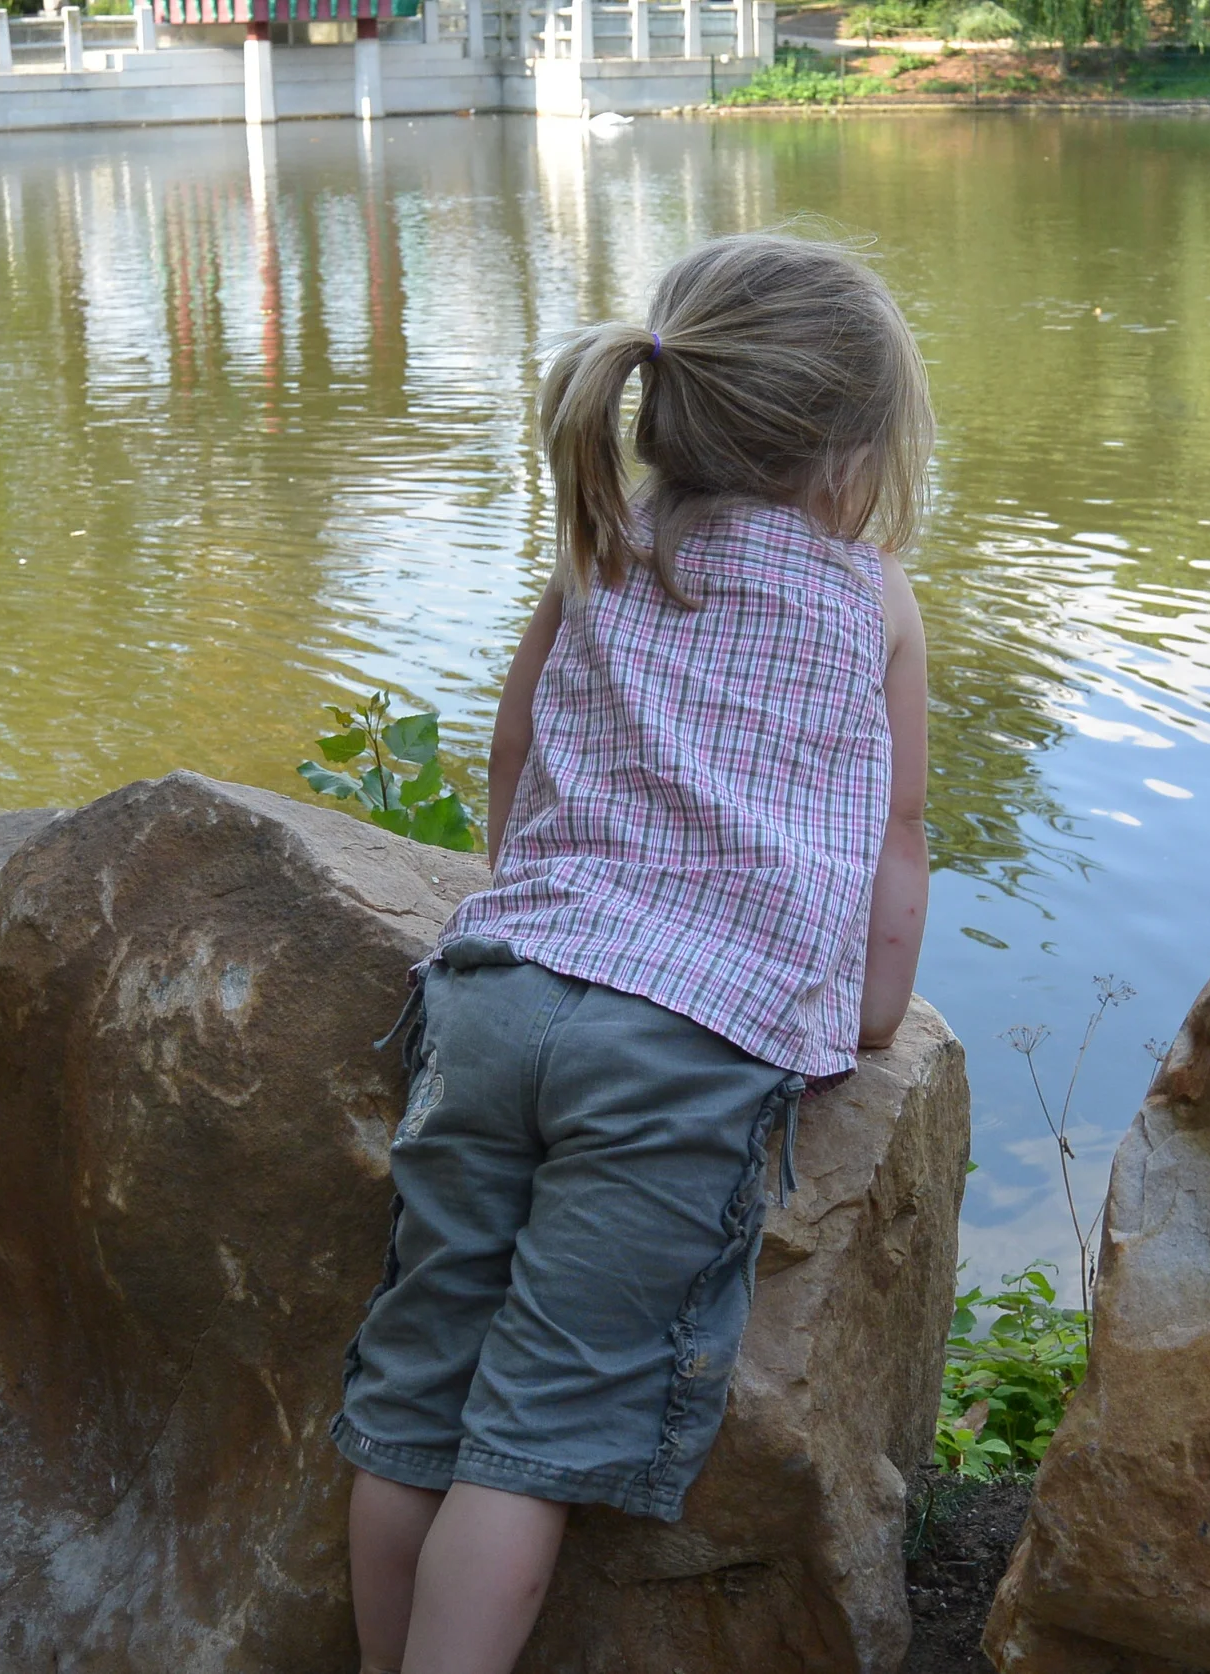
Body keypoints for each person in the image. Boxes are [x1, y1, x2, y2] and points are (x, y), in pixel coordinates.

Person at [329, 231, 934, 1674]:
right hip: (679, 1050)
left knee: (413, 1405)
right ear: (851, 457)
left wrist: (534, 889)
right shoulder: (871, 601)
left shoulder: (607, 547)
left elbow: (515, 743)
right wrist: (866, 1013)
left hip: (496, 1001)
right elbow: (893, 842)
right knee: (527, 1443)